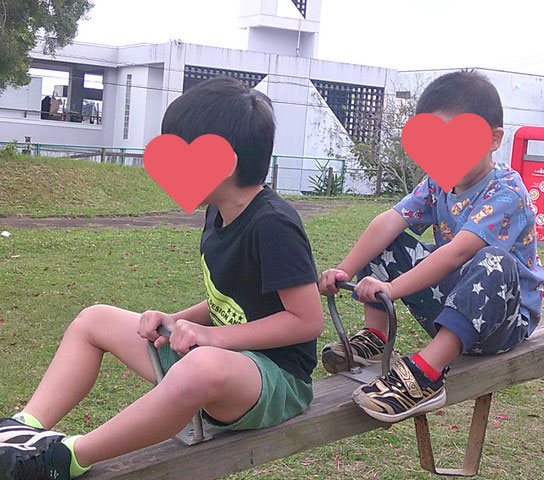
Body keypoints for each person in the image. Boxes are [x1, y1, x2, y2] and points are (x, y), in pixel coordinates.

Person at [0, 76, 324, 479]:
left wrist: (214, 338)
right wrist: (178, 319)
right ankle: (23, 428)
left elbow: (306, 321)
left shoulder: (273, 224)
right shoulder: (219, 211)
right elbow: (233, 298)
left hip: (275, 381)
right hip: (215, 357)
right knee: (94, 319)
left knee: (202, 366)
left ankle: (63, 458)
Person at [319, 70, 544, 423]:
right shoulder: (438, 183)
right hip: (453, 306)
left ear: (493, 138)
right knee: (388, 239)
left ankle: (426, 375)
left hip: (503, 319)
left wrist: (392, 288)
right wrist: (345, 270)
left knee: (493, 260)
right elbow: (391, 220)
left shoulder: (507, 192)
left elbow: (459, 252)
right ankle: (375, 336)